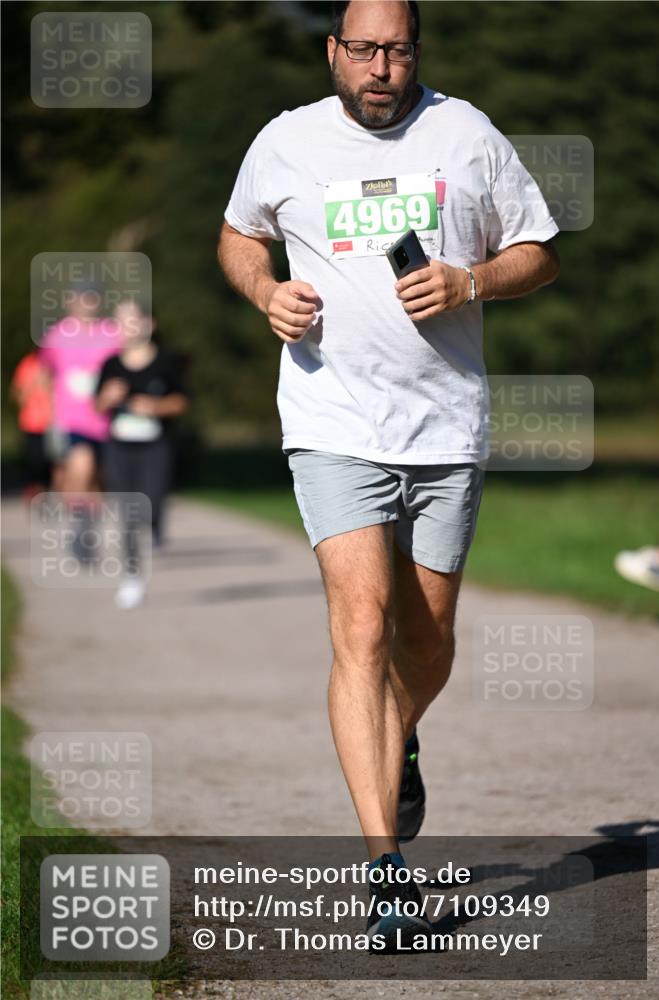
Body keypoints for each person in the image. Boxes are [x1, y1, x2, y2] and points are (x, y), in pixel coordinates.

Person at [218, 0, 560, 949]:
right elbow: (238, 236)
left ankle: (396, 730)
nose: (379, 67)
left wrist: (471, 281)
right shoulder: (285, 142)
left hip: (445, 427)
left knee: (427, 641)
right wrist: (265, 289)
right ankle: (383, 870)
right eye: (361, 49)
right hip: (332, 420)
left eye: (396, 49)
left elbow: (539, 253)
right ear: (332, 50)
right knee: (360, 626)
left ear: (416, 53)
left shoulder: (466, 134)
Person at [95, 300, 189, 609]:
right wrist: (107, 398)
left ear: (149, 324)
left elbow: (182, 402)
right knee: (128, 514)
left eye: (133, 320)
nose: (127, 327)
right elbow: (96, 406)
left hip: (156, 445)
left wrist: (154, 407)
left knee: (153, 501)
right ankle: (132, 579)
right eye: (120, 321)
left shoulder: (167, 362)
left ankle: (157, 526)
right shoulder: (110, 364)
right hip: (119, 446)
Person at [39, 281, 121, 561]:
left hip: (107, 421)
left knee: (98, 479)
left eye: (90, 299)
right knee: (80, 467)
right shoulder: (56, 335)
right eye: (79, 298)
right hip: (71, 419)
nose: (85, 304)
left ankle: (87, 526)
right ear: (69, 301)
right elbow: (45, 374)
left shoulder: (112, 333)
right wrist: (48, 412)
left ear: (98, 301)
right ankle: (78, 524)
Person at [10, 349, 53, 498]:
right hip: (32, 423)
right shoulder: (27, 363)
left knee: (55, 464)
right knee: (36, 463)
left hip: (53, 423)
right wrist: (34, 384)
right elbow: (17, 395)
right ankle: (36, 492)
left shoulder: (57, 361)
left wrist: (49, 383)